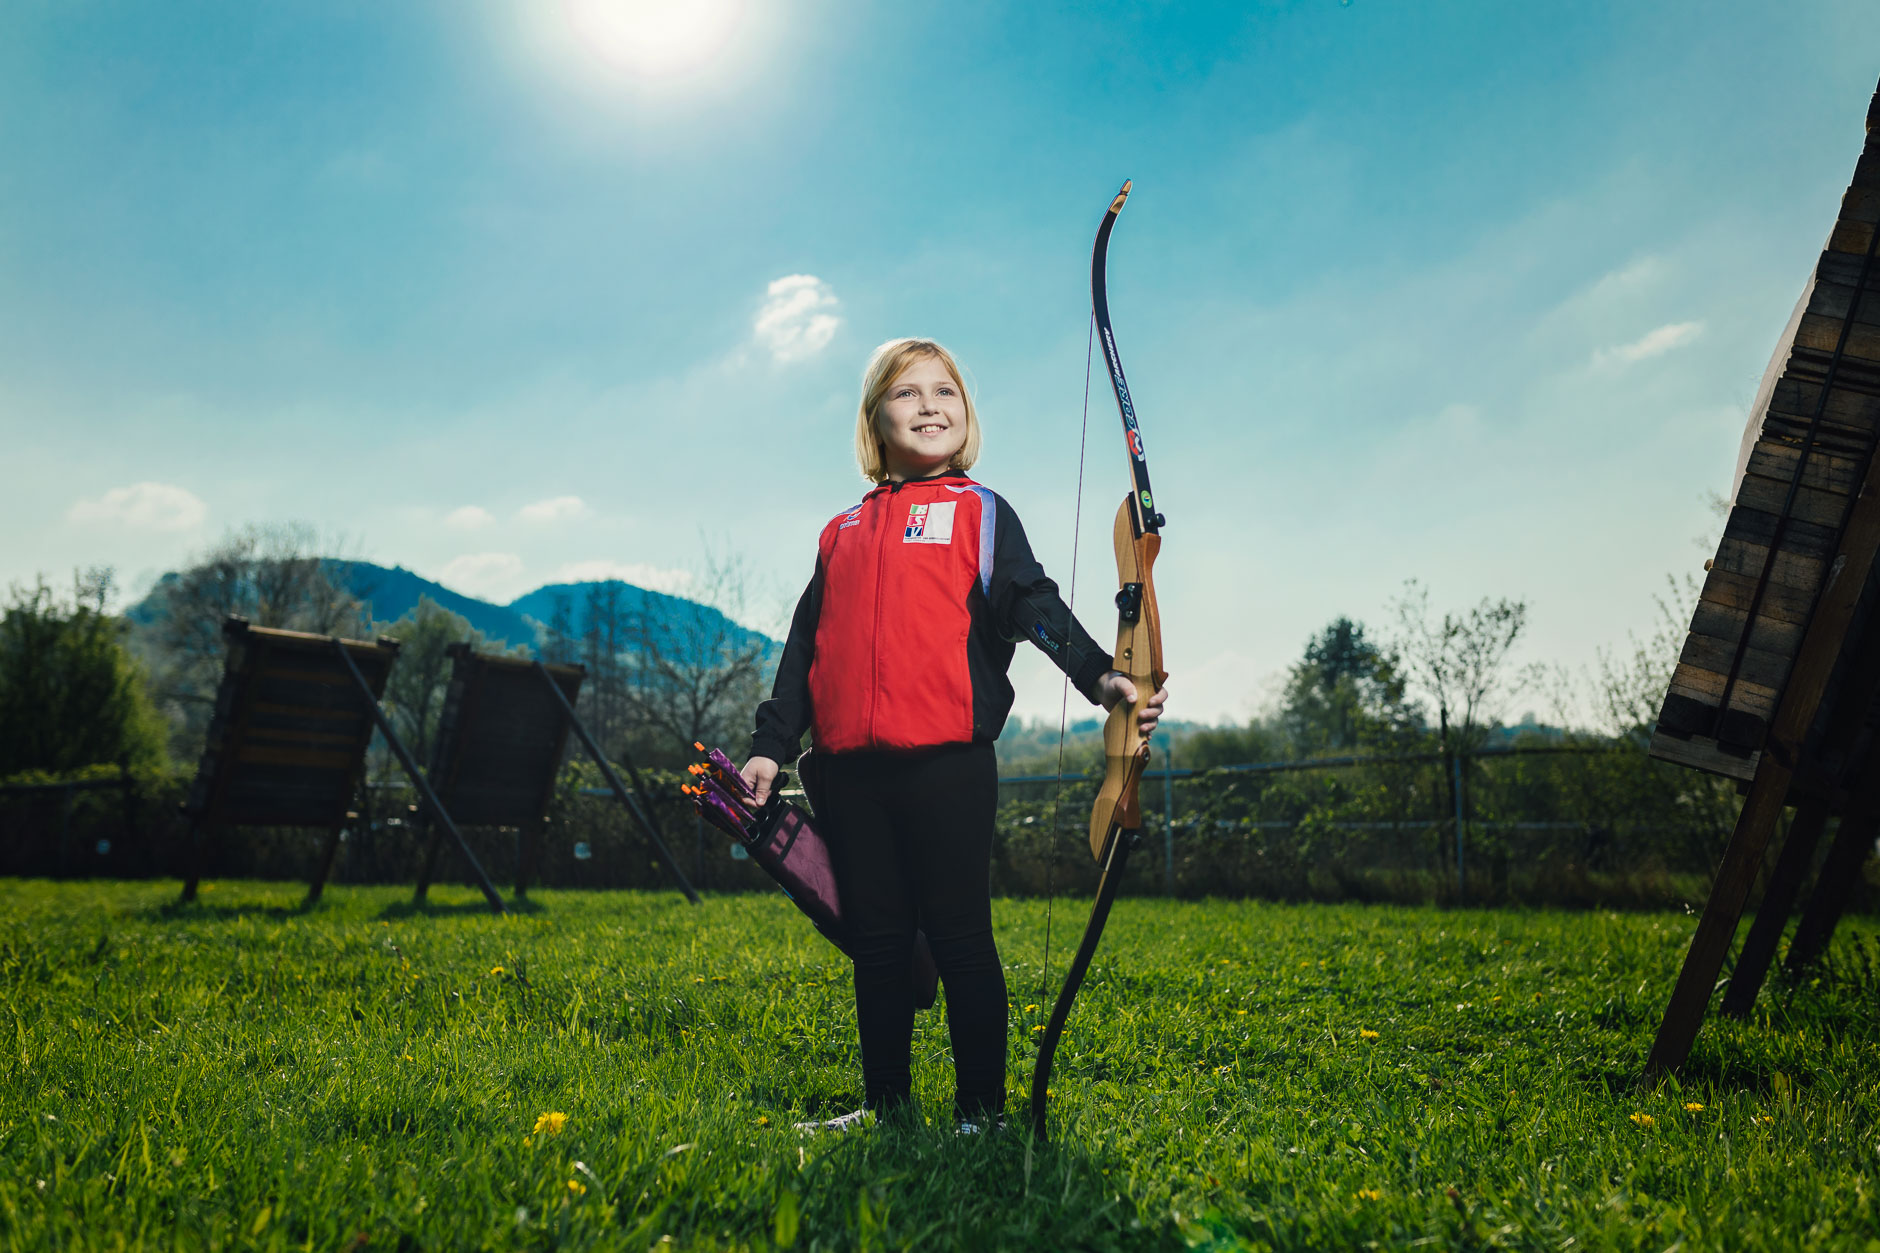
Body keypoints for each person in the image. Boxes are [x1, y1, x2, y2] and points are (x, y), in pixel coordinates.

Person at [742, 337, 1168, 1134]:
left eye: (947, 392)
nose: (931, 405)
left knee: (960, 933)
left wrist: (1103, 676)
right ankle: (885, 1104)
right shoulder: (841, 531)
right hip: (850, 771)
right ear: (875, 420)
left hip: (948, 766)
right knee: (877, 940)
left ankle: (983, 1113)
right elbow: (806, 649)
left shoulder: (978, 511)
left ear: (965, 416)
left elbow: (1031, 601)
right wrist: (770, 745)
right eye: (907, 394)